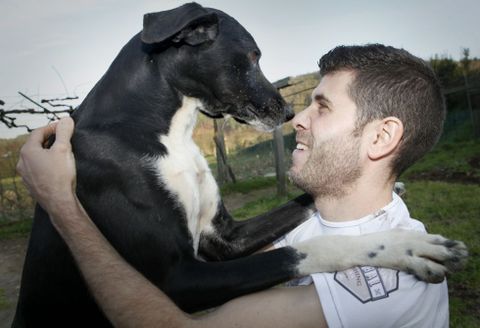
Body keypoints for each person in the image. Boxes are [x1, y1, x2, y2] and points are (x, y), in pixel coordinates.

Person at [17, 44, 448, 327]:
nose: (297, 119)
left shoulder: (397, 269)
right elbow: (219, 255)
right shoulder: (312, 221)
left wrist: (61, 204)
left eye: (322, 107)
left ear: (381, 137)